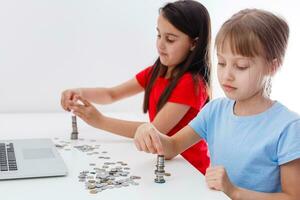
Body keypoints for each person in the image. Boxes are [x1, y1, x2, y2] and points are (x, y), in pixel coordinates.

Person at [134, 8, 300, 199]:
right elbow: (172, 147)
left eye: (241, 66)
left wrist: (235, 192)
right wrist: (149, 131)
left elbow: (293, 196)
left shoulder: (289, 127)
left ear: (273, 66)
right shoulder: (215, 111)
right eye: (221, 63)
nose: (226, 75)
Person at [61, 0, 211, 174]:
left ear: (194, 44)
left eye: (170, 39)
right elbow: (112, 94)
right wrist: (79, 92)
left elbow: (154, 131)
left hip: (189, 170)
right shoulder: (156, 72)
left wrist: (100, 121)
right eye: (158, 35)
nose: (160, 44)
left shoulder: (191, 84)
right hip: (164, 162)